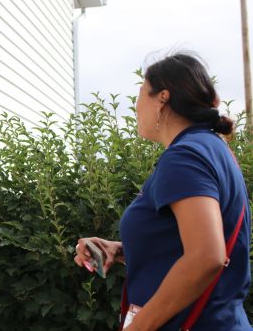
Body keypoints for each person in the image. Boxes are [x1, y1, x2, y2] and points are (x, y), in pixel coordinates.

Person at [74, 53, 252, 330]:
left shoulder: (185, 157)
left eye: (141, 94)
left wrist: (139, 327)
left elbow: (207, 256)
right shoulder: (212, 149)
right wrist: (120, 250)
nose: (135, 107)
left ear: (162, 98)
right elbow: (187, 243)